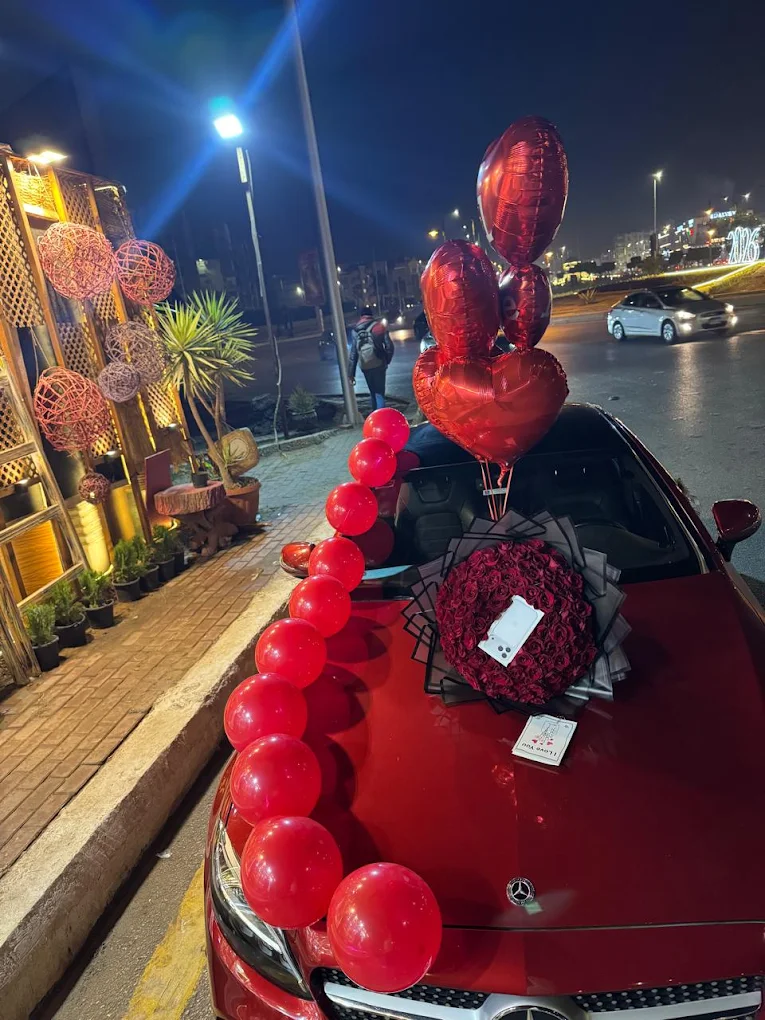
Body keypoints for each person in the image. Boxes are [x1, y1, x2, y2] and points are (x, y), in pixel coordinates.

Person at [347, 306, 393, 410]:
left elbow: (353, 353)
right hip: (379, 363)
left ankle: (374, 414)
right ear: (371, 315)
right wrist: (386, 360)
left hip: (365, 366)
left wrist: (351, 374)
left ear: (361, 316)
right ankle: (381, 415)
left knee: (372, 392)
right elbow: (389, 346)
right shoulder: (379, 326)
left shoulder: (355, 331)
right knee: (379, 392)